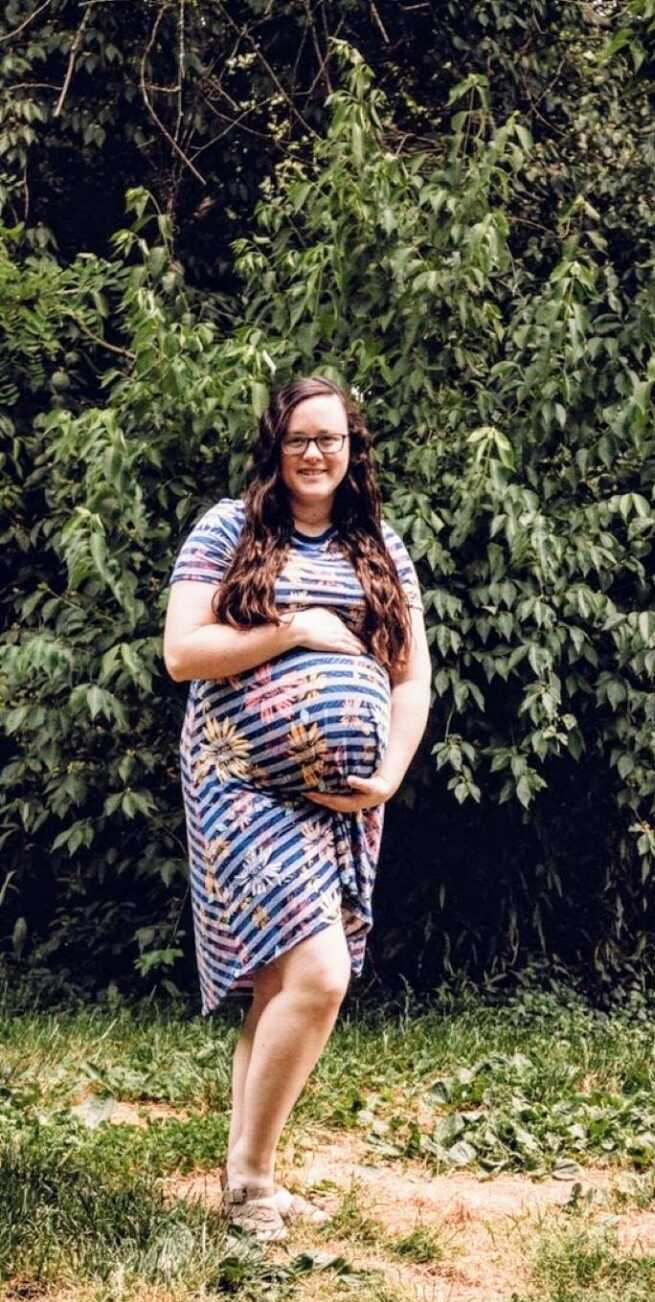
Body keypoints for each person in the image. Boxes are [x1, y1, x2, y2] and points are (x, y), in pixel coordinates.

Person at [162, 374, 431, 1241]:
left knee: (282, 983)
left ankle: (252, 1180)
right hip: (238, 783)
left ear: (354, 450)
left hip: (341, 804)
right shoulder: (229, 530)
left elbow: (412, 677)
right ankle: (249, 1185)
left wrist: (387, 773)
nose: (316, 454)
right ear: (275, 449)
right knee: (320, 976)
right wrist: (294, 629)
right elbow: (182, 652)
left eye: (333, 439)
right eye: (300, 439)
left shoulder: (380, 547)